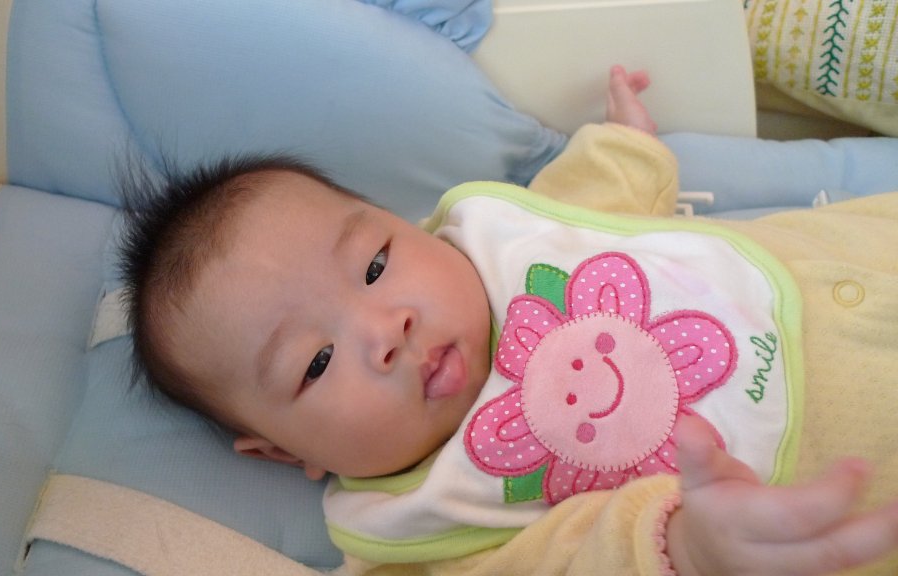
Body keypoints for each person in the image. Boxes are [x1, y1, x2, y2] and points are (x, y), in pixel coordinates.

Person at [117, 66, 898, 575]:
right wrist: (688, 547)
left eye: (376, 265)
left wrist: (624, 142)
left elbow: (588, 204)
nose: (387, 329)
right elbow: (568, 561)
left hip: (854, 256)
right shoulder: (425, 529)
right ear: (286, 454)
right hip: (854, 486)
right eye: (316, 363)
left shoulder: (502, 242)